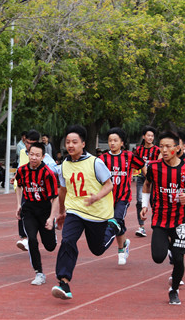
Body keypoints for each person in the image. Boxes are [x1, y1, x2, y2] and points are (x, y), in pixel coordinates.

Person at [51, 125, 120, 300]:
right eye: (67, 142)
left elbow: (109, 185)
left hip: (97, 214)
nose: (70, 145)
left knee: (97, 250)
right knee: (67, 241)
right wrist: (61, 212)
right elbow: (63, 191)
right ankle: (64, 282)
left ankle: (113, 227)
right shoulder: (64, 165)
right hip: (75, 210)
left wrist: (97, 197)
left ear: (83, 143)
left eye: (74, 142)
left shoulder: (96, 163)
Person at [140, 131, 185, 305]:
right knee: (157, 257)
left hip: (181, 219)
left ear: (177, 148)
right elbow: (147, 185)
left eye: (168, 146)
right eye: (161, 146)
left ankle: (174, 289)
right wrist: (145, 205)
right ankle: (171, 244)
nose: (163, 150)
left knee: (178, 259)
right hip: (161, 218)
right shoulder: (154, 167)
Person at [99, 127, 144, 265]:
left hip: (123, 197)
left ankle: (119, 250)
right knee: (118, 223)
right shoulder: (102, 159)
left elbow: (142, 164)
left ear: (122, 143)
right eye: (110, 141)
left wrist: (150, 179)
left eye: (115, 140)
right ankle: (124, 245)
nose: (112, 143)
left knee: (116, 220)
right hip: (107, 198)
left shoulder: (129, 156)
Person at [15, 142, 59, 285]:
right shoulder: (22, 171)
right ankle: (39, 273)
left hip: (45, 210)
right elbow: (19, 186)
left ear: (43, 157)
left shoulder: (48, 173)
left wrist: (52, 217)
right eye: (31, 154)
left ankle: (53, 236)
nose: (33, 158)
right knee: (32, 240)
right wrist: (18, 205)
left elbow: (55, 197)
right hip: (29, 210)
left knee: (50, 246)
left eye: (37, 155)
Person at [14, 129, 59, 252]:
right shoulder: (23, 152)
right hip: (26, 188)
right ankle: (26, 239)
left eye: (32, 143)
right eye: (27, 143)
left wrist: (42, 172)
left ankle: (49, 231)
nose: (29, 146)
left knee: (49, 245)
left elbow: (55, 170)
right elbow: (21, 168)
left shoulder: (44, 156)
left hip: (42, 191)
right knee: (24, 211)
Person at [134, 126, 161, 237]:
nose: (150, 138)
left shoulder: (157, 150)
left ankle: (156, 225)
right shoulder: (139, 150)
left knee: (155, 202)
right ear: (143, 137)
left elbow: (159, 163)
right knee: (140, 201)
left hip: (154, 180)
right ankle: (141, 227)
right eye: (148, 135)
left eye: (152, 136)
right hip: (141, 178)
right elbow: (134, 163)